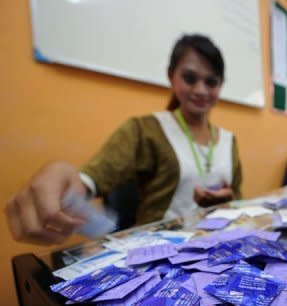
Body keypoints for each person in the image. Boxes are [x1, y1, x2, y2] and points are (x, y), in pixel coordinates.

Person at [5, 34, 242, 245]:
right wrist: (66, 181)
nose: (201, 90)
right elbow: (93, 177)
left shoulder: (229, 141)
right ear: (171, 76)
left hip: (217, 249)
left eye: (211, 82)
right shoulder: (145, 130)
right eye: (190, 78)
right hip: (162, 253)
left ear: (221, 85)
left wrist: (226, 201)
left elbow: (238, 203)